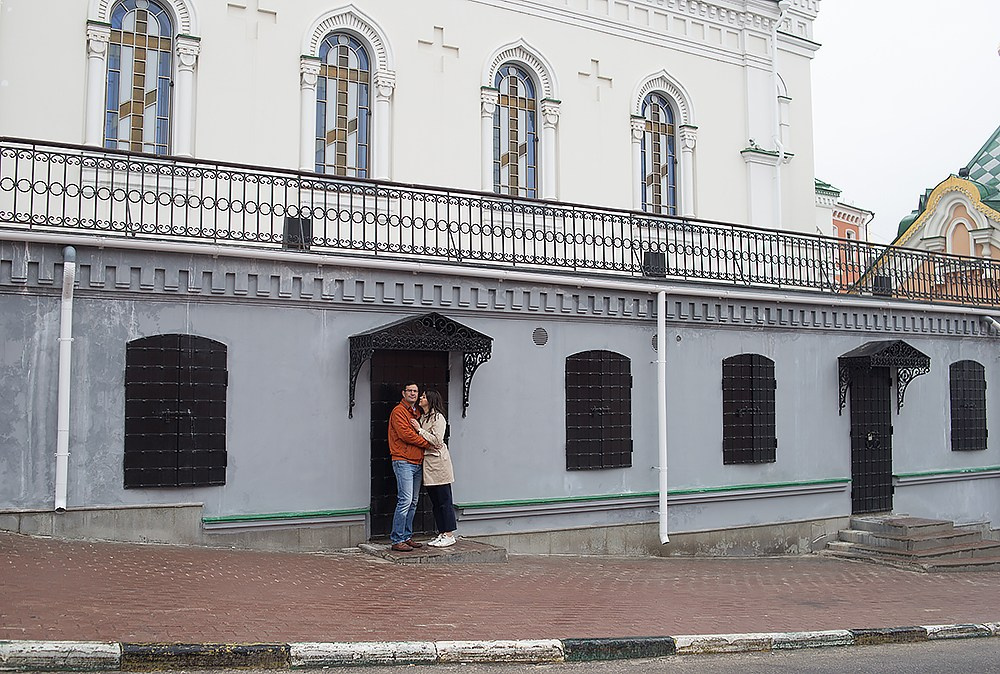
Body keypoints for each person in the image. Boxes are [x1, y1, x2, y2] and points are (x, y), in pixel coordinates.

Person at [387, 382, 431, 553]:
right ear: (403, 393)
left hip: (417, 462)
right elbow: (406, 435)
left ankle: (406, 536)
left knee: (413, 502)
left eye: (415, 391)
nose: (413, 394)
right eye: (410, 391)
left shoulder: (417, 412)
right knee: (405, 500)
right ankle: (397, 539)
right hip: (403, 460)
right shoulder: (398, 411)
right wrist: (428, 443)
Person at [410, 390, 457, 547]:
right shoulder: (423, 417)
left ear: (430, 400)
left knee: (444, 500)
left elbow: (437, 440)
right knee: (436, 502)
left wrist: (419, 430)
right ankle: (442, 532)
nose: (420, 399)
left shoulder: (438, 417)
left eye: (423, 397)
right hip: (429, 465)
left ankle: (449, 534)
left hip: (439, 464)